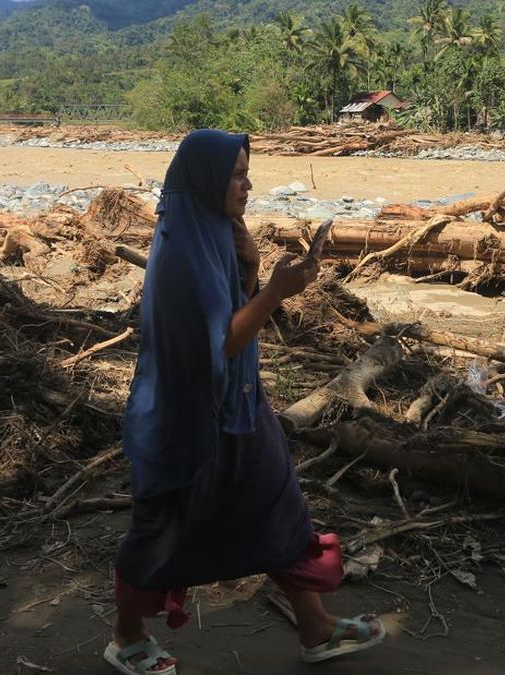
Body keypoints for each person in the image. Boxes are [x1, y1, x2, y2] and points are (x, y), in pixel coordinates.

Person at [104, 129, 385, 675]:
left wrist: (255, 269)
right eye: (236, 174)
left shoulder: (215, 234)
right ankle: (127, 635)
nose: (247, 183)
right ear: (207, 180)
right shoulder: (183, 249)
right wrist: (276, 292)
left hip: (239, 407)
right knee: (161, 529)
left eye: (245, 171)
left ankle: (317, 628)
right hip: (186, 421)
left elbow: (235, 314)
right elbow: (225, 340)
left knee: (280, 512)